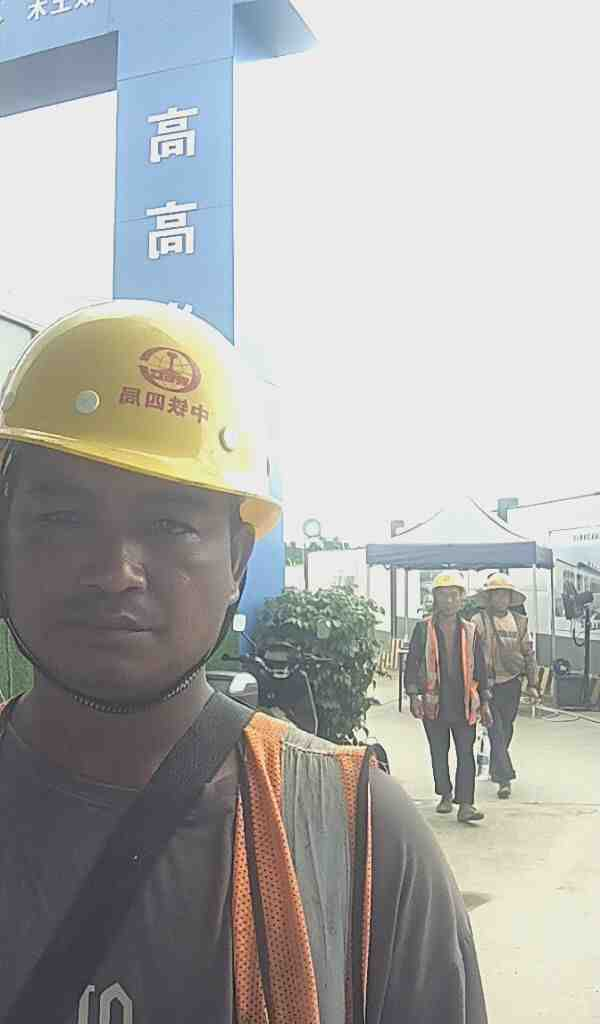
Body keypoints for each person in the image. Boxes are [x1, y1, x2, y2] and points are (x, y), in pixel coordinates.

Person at [0, 301, 488, 1023]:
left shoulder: (358, 837)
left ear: (237, 562)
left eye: (169, 524)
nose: (115, 572)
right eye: (63, 517)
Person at [405, 572, 492, 824]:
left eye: (454, 595)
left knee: (466, 752)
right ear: (435, 598)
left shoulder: (471, 631)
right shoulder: (423, 629)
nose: (449, 601)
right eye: (443, 595)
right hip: (434, 703)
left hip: (464, 703)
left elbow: (481, 668)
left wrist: (485, 702)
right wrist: (413, 695)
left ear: (462, 599)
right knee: (438, 751)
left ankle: (466, 804)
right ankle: (445, 793)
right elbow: (413, 663)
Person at [472, 573, 539, 799]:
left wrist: (533, 683)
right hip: (488, 684)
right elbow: (471, 655)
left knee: (507, 729)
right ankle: (505, 779)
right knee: (495, 730)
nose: (501, 599)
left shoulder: (520, 621)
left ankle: (496, 767)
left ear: (510, 598)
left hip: (512, 683)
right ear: (489, 598)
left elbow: (529, 653)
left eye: (505, 595)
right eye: (497, 594)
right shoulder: (478, 621)